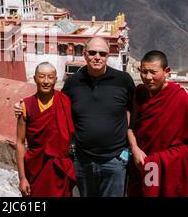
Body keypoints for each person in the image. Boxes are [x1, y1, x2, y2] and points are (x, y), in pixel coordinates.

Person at [15, 37, 135, 197]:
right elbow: (54, 105)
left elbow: (136, 114)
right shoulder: (73, 83)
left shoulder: (123, 80)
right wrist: (23, 106)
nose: (97, 57)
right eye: (92, 53)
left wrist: (130, 149)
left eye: (102, 53)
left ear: (108, 55)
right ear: (85, 54)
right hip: (82, 162)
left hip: (114, 160)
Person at [127, 50, 188, 197]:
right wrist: (135, 149)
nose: (148, 77)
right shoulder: (140, 94)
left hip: (163, 168)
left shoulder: (182, 101)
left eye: (153, 72)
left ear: (166, 72)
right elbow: (132, 127)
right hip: (142, 166)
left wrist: (160, 160)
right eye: (144, 71)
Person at [16, 62, 76, 197]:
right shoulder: (26, 106)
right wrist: (22, 178)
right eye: (42, 77)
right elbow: (20, 142)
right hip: (36, 169)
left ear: (56, 79)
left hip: (60, 169)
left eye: (50, 77)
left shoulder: (65, 101)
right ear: (35, 78)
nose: (46, 81)